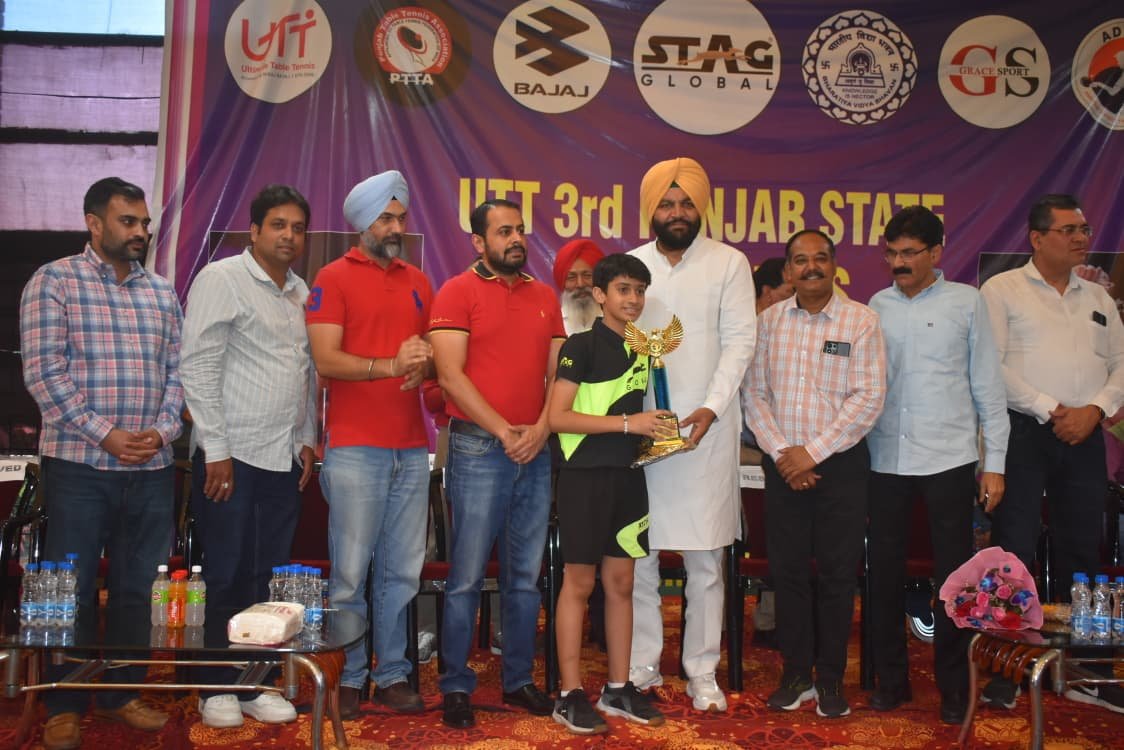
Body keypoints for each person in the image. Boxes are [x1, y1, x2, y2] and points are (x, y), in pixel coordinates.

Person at [20, 177, 184, 750]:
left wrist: (162, 432)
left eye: (145, 222)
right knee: (71, 588)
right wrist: (106, 435)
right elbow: (44, 375)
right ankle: (63, 701)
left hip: (150, 468)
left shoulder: (161, 292)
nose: (141, 231)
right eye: (128, 221)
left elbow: (178, 375)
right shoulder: (54, 281)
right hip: (79, 466)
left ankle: (120, 692)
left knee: (138, 588)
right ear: (94, 223)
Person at [180, 184, 318, 728]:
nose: (289, 236)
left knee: (266, 578)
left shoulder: (300, 292)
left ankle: (253, 682)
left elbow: (303, 372)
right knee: (226, 572)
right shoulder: (222, 279)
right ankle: (213, 686)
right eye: (278, 225)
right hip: (230, 457)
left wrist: (306, 437)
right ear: (254, 230)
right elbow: (198, 365)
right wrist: (215, 448)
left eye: (298, 228)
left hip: (281, 458)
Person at [865, 206, 1009, 725]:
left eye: (909, 253)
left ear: (936, 253)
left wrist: (995, 464)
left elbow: (988, 387)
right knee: (883, 575)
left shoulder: (966, 303)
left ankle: (954, 686)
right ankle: (891, 682)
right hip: (884, 458)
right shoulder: (875, 306)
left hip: (949, 458)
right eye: (892, 253)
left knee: (954, 580)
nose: (898, 263)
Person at [980, 194, 1124, 713]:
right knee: (1013, 549)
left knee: (1085, 550)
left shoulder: (1098, 296)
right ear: (1037, 239)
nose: (1081, 238)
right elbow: (990, 366)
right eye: (1069, 230)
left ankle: (1090, 668)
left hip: (1085, 435)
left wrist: (1095, 409)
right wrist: (1051, 407)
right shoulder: (1002, 290)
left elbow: (1121, 363)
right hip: (1023, 432)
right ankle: (1007, 668)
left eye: (1084, 229)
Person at [626, 157, 756, 712]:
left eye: (685, 203)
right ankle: (642, 665)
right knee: (640, 557)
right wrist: (627, 420)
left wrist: (711, 407)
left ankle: (702, 672)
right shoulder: (631, 265)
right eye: (666, 204)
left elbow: (740, 342)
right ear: (650, 210)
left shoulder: (729, 263)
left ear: (700, 207)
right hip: (641, 430)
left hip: (707, 429)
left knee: (705, 561)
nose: (676, 213)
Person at [430, 199, 565, 728]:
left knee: (525, 578)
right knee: (466, 576)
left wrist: (542, 429)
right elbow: (450, 376)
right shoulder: (456, 291)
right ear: (478, 241)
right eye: (503, 231)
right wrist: (505, 431)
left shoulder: (544, 296)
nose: (516, 239)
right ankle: (455, 685)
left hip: (535, 449)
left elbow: (561, 377)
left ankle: (518, 679)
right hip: (479, 448)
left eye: (520, 230)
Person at [305, 171, 434, 718]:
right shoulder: (332, 278)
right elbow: (325, 360)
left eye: (401, 218)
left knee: (403, 572)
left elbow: (427, 356)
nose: (396, 227)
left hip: (412, 447)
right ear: (362, 223)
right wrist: (390, 365)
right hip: (355, 447)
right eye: (386, 218)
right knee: (350, 574)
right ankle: (350, 674)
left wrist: (424, 367)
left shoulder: (419, 281)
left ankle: (393, 673)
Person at [743, 229, 886, 719]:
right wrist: (786, 454)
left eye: (820, 258)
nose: (811, 267)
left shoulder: (861, 320)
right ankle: (795, 673)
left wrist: (813, 454)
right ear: (788, 271)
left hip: (840, 466)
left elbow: (868, 398)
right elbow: (753, 395)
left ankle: (830, 678)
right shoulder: (767, 323)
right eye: (800, 260)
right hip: (783, 465)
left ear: (834, 265)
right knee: (787, 574)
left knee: (837, 576)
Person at [547, 253, 670, 734]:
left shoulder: (645, 350)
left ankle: (618, 687)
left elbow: (642, 415)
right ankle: (569, 694)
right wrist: (628, 424)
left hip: (628, 477)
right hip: (584, 478)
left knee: (621, 584)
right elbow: (558, 417)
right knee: (578, 584)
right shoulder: (579, 346)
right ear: (600, 295)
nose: (633, 299)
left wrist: (658, 433)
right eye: (623, 289)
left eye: (639, 290)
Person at [554, 238, 606, 335]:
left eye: (587, 275)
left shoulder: (615, 321)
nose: (580, 284)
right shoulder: (552, 324)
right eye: (571, 277)